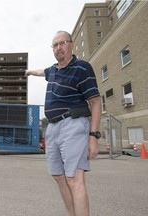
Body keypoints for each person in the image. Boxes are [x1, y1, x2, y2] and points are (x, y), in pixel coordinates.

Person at [25, 30, 101, 216]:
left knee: (74, 178)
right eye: (55, 45)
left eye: (62, 43)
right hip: (52, 127)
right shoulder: (52, 70)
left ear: (71, 44)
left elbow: (96, 102)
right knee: (59, 176)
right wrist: (29, 72)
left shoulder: (82, 68)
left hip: (73, 123)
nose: (58, 48)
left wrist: (93, 137)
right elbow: (41, 71)